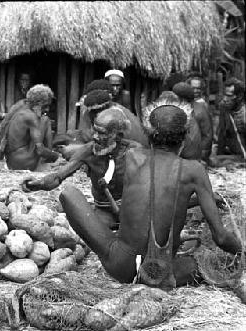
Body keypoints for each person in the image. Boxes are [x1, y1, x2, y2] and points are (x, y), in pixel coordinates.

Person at [59, 104, 242, 287]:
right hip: (159, 272)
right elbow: (222, 238)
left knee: (69, 193)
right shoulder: (194, 170)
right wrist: (242, 252)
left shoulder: (131, 157)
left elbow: (148, 200)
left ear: (148, 132)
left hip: (118, 266)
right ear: (185, 137)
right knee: (202, 261)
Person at [24, 107, 138, 228]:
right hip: (104, 210)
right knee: (98, 229)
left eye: (102, 133)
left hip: (131, 208)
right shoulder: (88, 151)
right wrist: (36, 184)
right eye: (95, 131)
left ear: (118, 135)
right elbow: (58, 177)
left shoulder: (134, 151)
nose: (95, 137)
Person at [59, 89, 148, 160]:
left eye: (88, 112)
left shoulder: (113, 119)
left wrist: (75, 150)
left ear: (96, 112)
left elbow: (109, 148)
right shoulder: (114, 111)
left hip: (137, 156)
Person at [0, 84, 59, 171]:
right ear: (39, 103)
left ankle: (48, 158)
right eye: (45, 106)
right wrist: (56, 157)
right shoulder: (31, 117)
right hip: (24, 164)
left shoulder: (19, 109)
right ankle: (48, 160)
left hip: (11, 163)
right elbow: (40, 150)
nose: (47, 109)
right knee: (46, 120)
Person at [172, 81, 213, 163]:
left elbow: (207, 136)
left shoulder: (200, 110)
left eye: (175, 96)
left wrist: (202, 157)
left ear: (182, 98)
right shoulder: (176, 107)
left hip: (195, 157)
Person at [215, 78, 245, 164]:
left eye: (229, 96)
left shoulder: (243, 114)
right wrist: (219, 154)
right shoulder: (224, 106)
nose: (224, 99)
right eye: (225, 95)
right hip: (231, 150)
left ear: (239, 97)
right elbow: (222, 131)